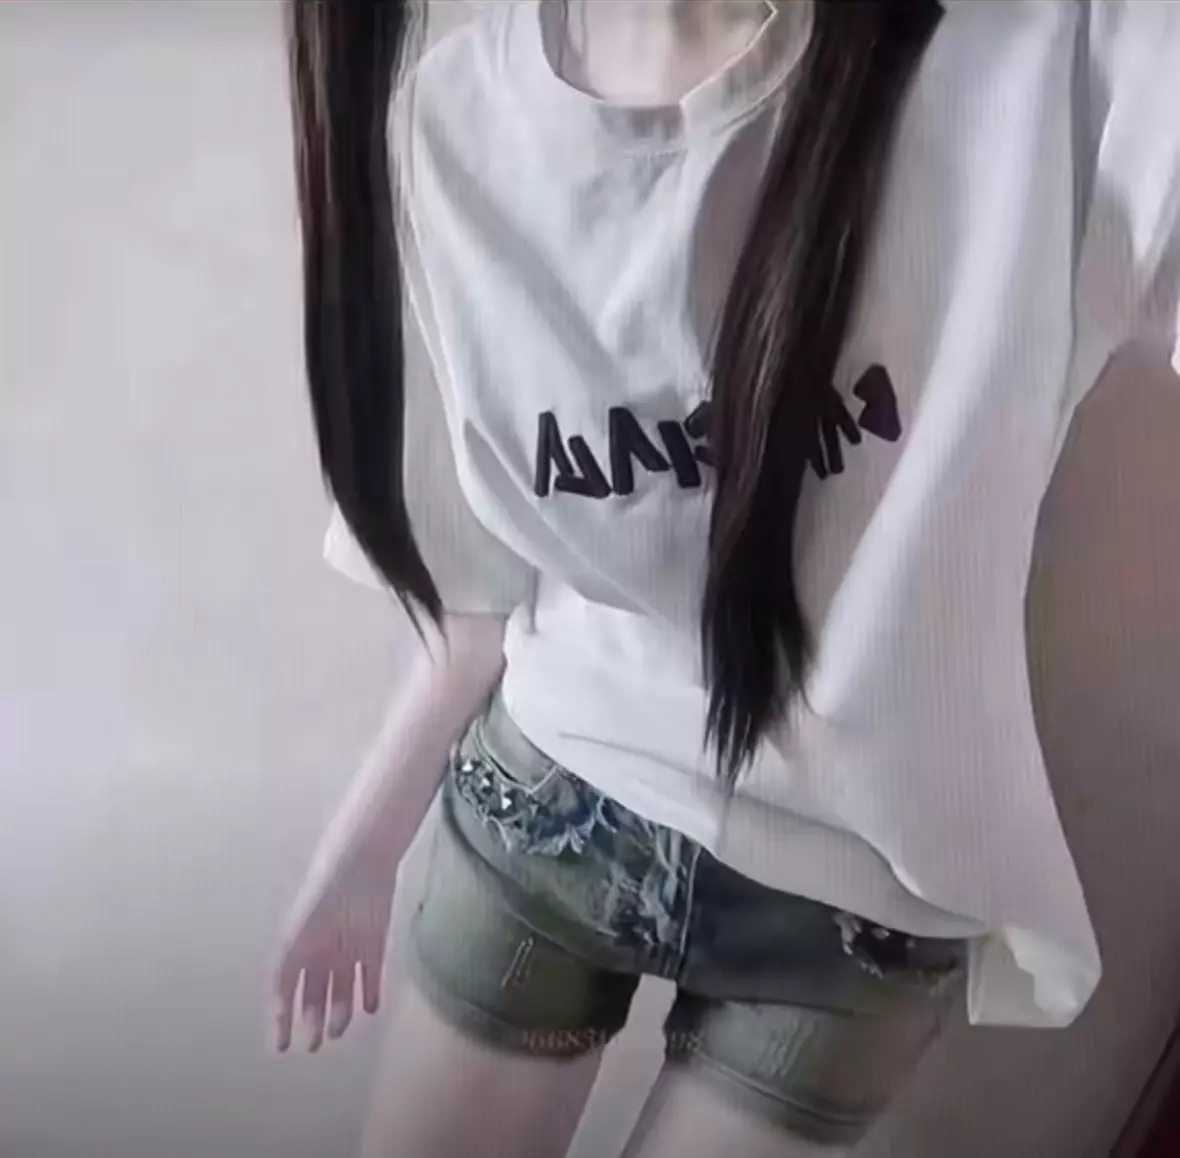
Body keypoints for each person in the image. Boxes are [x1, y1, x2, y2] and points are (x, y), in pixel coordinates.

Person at [273, 1, 1180, 1155]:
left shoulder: (1057, 52)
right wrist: (359, 849)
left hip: (856, 894)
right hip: (545, 810)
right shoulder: (449, 123)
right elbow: (475, 586)